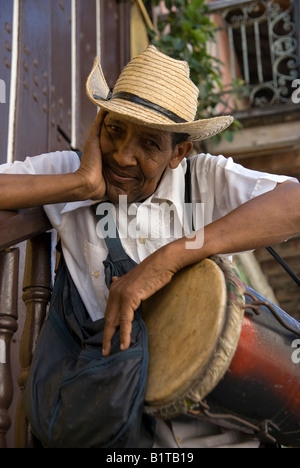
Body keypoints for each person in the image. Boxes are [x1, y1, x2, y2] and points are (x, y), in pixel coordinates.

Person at [1, 45, 300, 448]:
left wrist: (168, 259)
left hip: (221, 426)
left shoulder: (205, 180)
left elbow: (294, 202)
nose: (123, 156)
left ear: (179, 152)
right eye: (115, 130)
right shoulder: (71, 170)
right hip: (112, 419)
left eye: (149, 143)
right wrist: (79, 185)